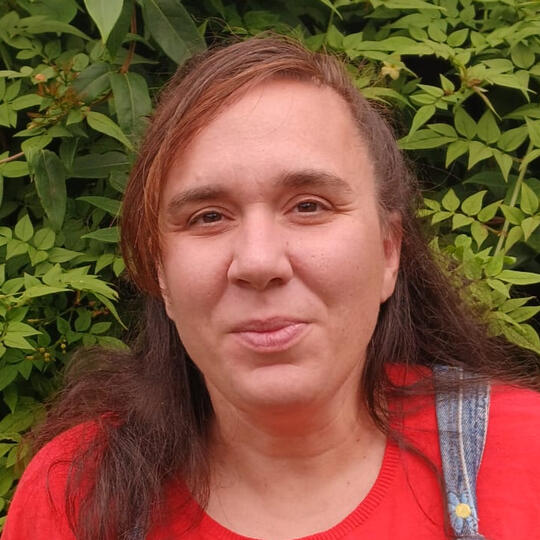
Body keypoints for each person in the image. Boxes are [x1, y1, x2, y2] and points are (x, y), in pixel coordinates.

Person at [2, 36, 539, 540]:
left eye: (309, 206)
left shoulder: (527, 455)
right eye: (208, 216)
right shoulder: (72, 496)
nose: (258, 262)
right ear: (161, 273)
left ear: (388, 251)